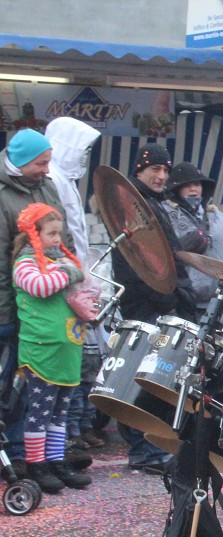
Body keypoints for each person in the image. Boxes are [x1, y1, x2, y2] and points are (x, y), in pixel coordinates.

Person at [114, 144, 193, 474]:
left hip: (161, 300)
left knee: (156, 375)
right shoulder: (135, 207)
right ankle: (146, 450)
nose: (161, 176)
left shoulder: (157, 204)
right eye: (154, 170)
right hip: (148, 303)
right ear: (138, 172)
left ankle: (150, 447)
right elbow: (142, 262)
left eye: (165, 170)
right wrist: (168, 300)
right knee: (148, 376)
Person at [11, 203, 92, 492]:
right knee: (40, 411)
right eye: (51, 233)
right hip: (42, 350)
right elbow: (40, 286)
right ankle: (37, 464)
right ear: (34, 233)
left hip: (67, 349)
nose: (57, 239)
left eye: (60, 233)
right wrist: (72, 274)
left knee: (60, 411)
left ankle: (56, 460)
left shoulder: (59, 261)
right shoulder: (25, 263)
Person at [0, 128, 66, 478]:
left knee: (30, 387)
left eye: (48, 162)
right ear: (22, 161)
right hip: (16, 305)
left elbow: (60, 238)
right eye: (40, 163)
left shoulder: (45, 185)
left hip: (45, 308)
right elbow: (0, 261)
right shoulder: (2, 195)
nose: (45, 169)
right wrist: (8, 311)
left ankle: (30, 457)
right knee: (10, 384)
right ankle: (11, 454)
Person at [45, 117, 105, 452]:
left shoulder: (64, 180)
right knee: (64, 371)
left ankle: (64, 441)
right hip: (62, 288)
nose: (84, 158)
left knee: (74, 370)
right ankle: (61, 442)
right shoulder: (54, 179)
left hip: (73, 282)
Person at [164, 162, 223, 312]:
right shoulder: (165, 217)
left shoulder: (221, 219)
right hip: (180, 303)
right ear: (176, 189)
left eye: (197, 184)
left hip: (219, 302)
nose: (193, 189)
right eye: (187, 185)